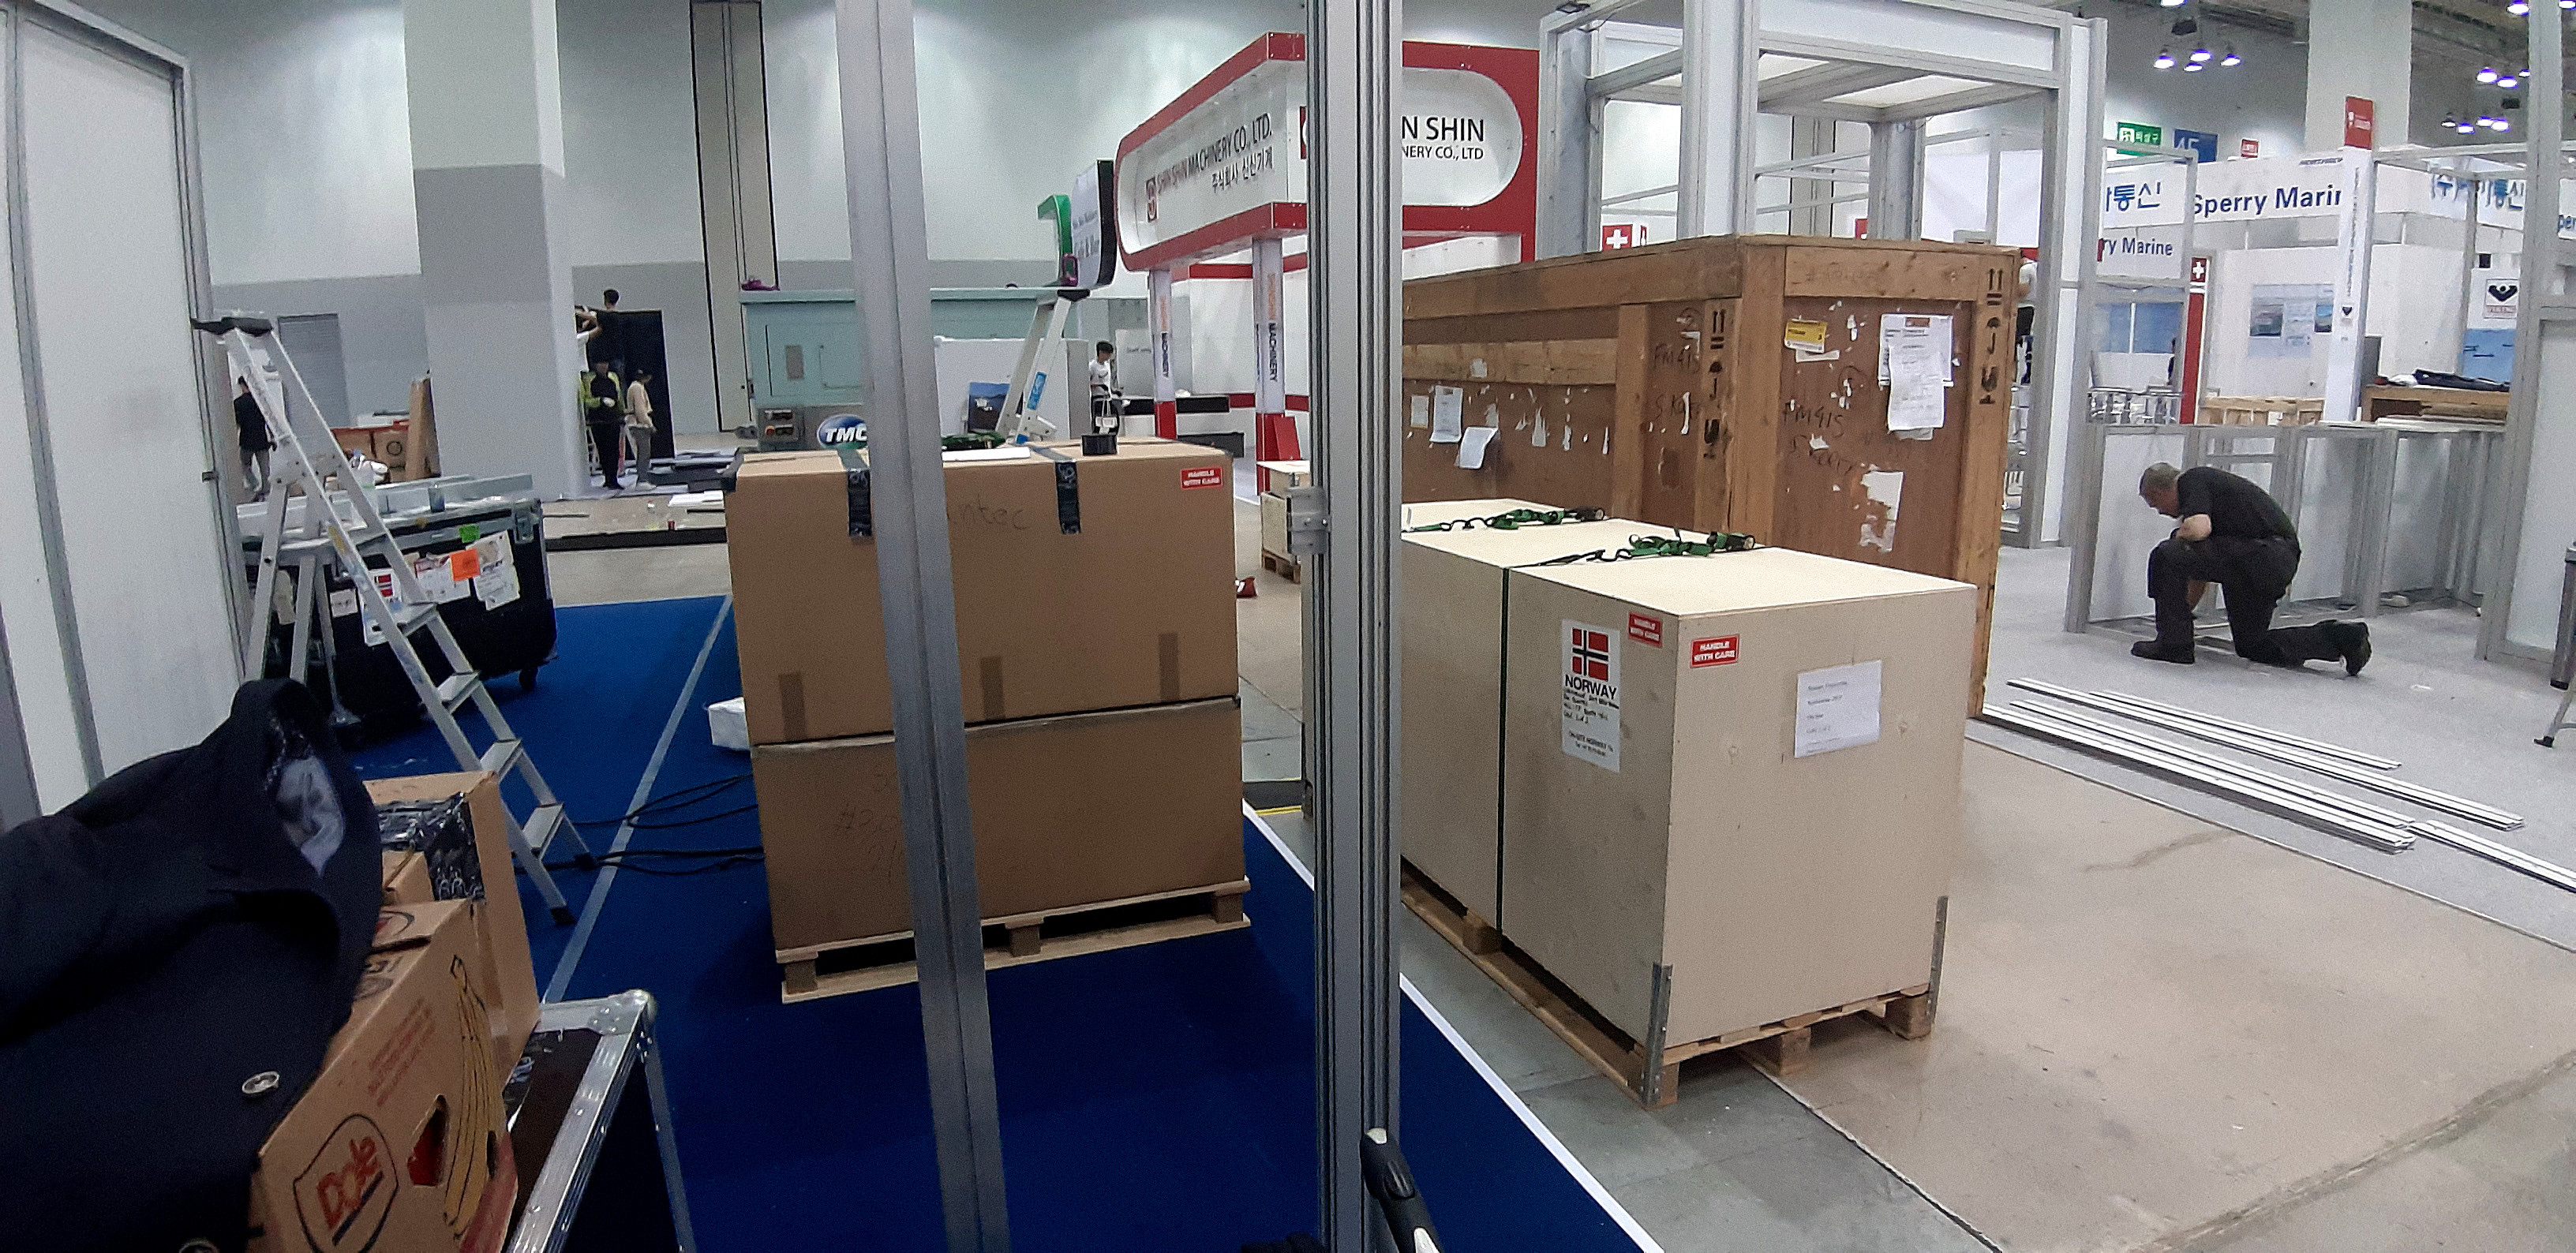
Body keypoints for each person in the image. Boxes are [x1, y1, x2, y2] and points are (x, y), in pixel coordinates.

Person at [2133, 462, 2369, 673]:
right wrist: (2180, 614)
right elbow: (2197, 570)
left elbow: (2198, 530)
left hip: (2262, 554)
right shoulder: (2212, 501)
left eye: (2156, 504)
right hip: (2269, 562)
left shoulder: (2192, 480)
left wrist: (2174, 629)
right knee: (2253, 645)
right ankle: (2343, 638)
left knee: (2167, 552)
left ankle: (2173, 646)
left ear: (2160, 491)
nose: (2161, 512)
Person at [580, 358, 627, 490]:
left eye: (605, 364)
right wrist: (600, 401)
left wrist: (622, 411)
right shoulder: (589, 380)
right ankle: (608, 478)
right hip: (598, 421)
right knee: (603, 450)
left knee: (614, 450)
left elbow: (619, 395)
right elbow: (586, 400)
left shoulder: (613, 377)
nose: (604, 367)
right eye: (601, 364)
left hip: (613, 419)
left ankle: (613, 479)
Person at [232, 377, 271, 496]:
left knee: (244, 464)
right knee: (265, 469)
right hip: (262, 439)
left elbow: (237, 423)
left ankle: (254, 483)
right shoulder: (261, 401)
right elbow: (268, 420)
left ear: (242, 385)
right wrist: (272, 436)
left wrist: (234, 439)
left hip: (246, 440)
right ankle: (266, 489)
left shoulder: (238, 403)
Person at [623, 368, 658, 482]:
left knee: (643, 453)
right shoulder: (637, 388)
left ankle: (643, 477)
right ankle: (642, 479)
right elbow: (640, 411)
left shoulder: (637, 387)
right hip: (639, 425)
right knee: (643, 453)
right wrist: (649, 425)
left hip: (639, 423)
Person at [1088, 339, 1119, 434]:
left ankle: (1111, 438)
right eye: (1108, 353)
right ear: (1101, 353)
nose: (1109, 356)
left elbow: (1107, 381)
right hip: (1097, 398)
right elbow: (1087, 383)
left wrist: (1114, 390)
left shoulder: (1107, 365)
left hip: (1108, 397)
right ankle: (1095, 439)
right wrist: (1099, 385)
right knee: (1097, 422)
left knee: (1115, 421)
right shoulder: (1092, 366)